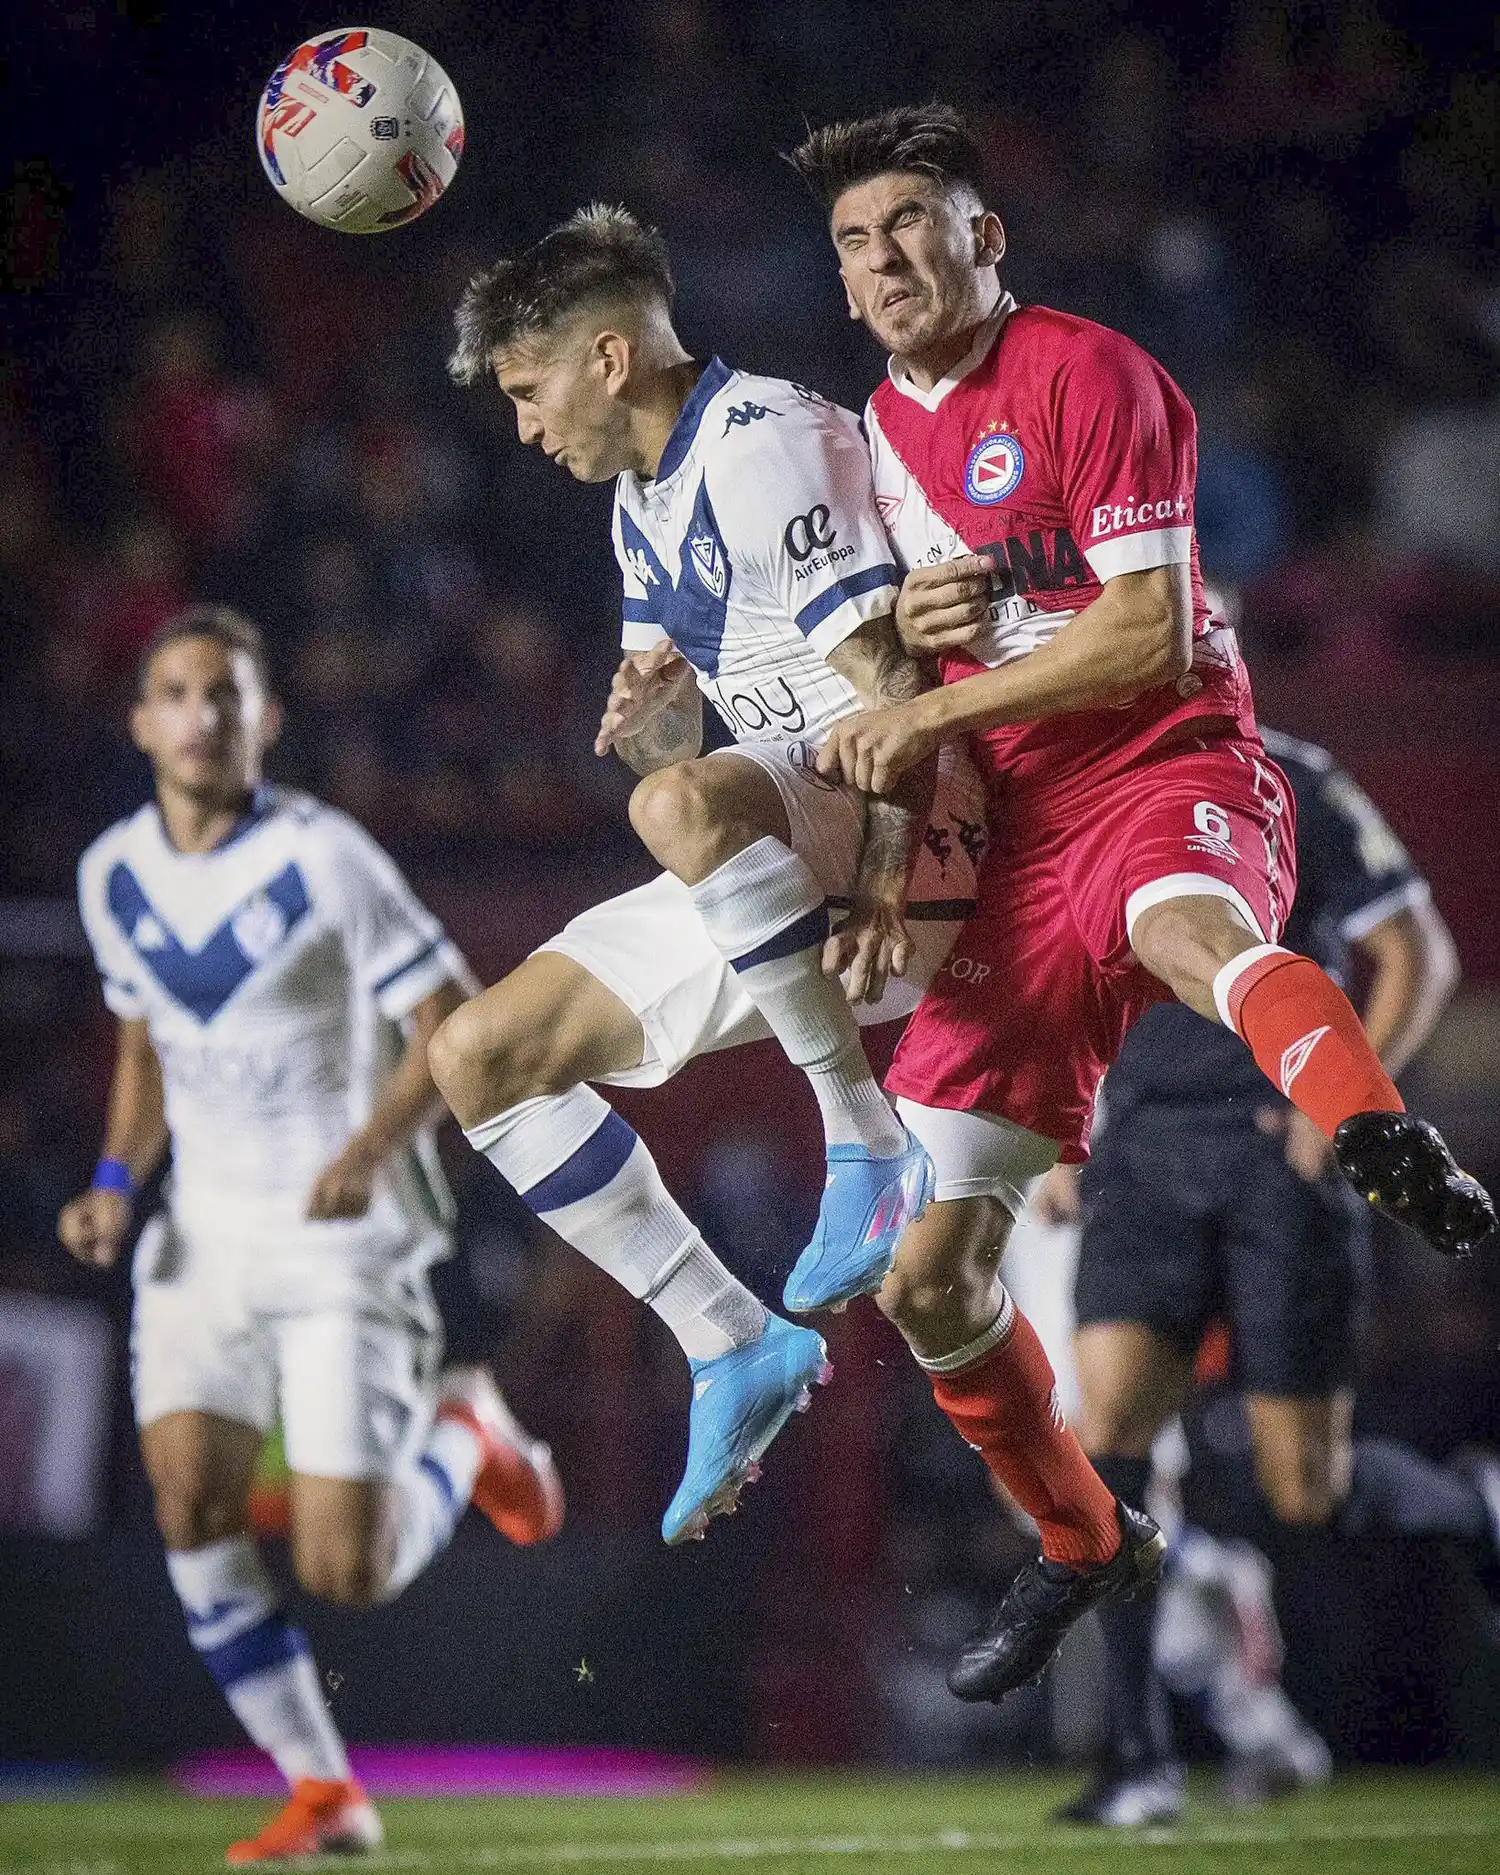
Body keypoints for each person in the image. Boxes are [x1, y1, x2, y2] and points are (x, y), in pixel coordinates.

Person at [787, 103, 1496, 1700]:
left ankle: (1378, 1126)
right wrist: (914, 634)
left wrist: (933, 708)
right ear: (839, 284)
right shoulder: (869, 441)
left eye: (914, 221)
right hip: (1017, 831)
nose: (886, 257)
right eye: (854, 240)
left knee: (1194, 932)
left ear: (988, 236)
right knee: (930, 1280)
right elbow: (907, 650)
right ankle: (1087, 1537)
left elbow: (1147, 636)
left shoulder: (1092, 374)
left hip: (1155, 756)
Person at [434, 205, 1144, 1591]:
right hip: (791, 838)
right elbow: (679, 743)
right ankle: (729, 1338)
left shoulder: (761, 445)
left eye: (529, 393)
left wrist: (885, 874)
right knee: (482, 1057)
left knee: (677, 805)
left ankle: (860, 1136)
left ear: (606, 354)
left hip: (927, 830)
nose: (524, 428)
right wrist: (643, 710)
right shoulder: (642, 502)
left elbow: (897, 687)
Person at [60, 608, 563, 1865]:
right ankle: (325, 1789)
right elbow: (144, 1047)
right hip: (202, 1242)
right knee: (188, 1499)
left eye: (226, 693)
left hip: (344, 1237)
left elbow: (453, 1021)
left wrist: (367, 1151)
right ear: (141, 723)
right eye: (175, 693)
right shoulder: (111, 873)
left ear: (264, 719)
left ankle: (470, 1432)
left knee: (351, 1569)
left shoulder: (325, 856)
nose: (201, 715)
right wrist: (118, 1178)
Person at [1010, 725, 1500, 1825]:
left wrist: (1346, 1111)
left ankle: (1472, 1508)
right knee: (1107, 1449)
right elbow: (1045, 969)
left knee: (1303, 1488)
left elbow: (1418, 952)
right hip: (1138, 1148)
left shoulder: (1298, 776)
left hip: (1276, 1146)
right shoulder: (1089, 774)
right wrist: (1054, 1129)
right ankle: (1140, 1760)